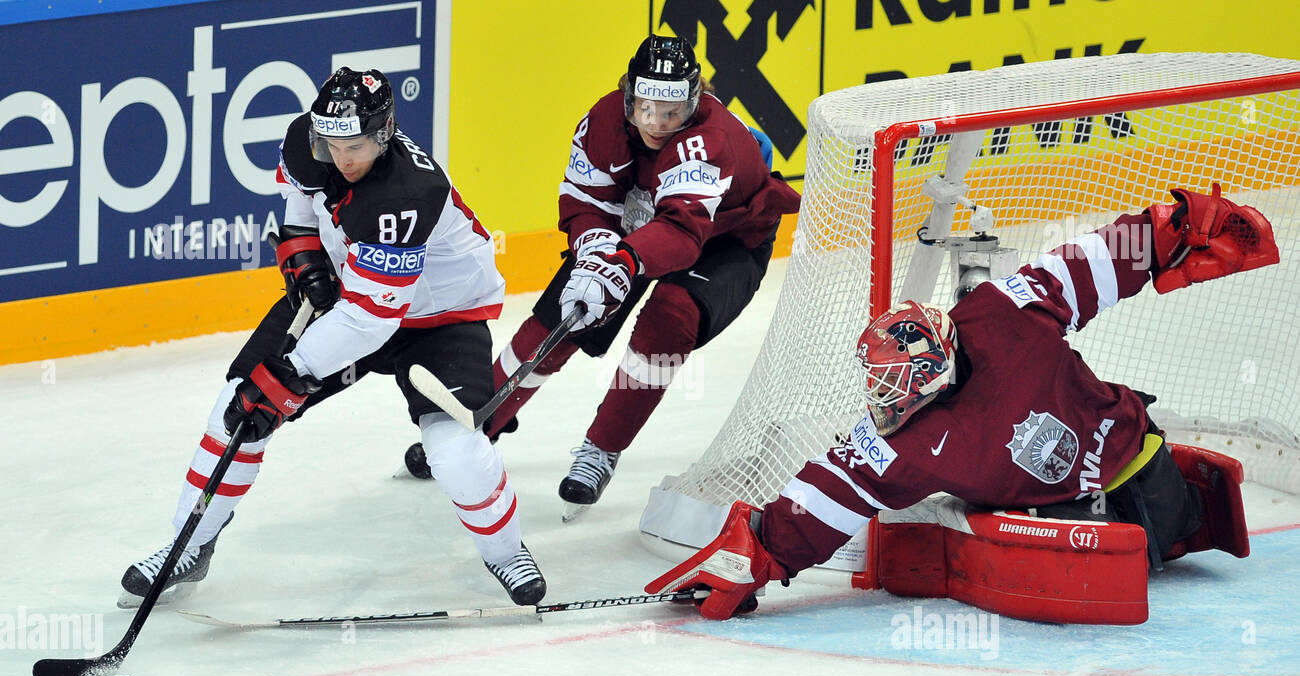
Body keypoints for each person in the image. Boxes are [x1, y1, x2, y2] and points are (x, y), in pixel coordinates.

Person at [646, 184, 1280, 620]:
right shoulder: (898, 444)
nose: (884, 404)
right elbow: (831, 487)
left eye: (896, 389)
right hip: (1070, 523)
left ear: (933, 371)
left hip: (1144, 480)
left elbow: (1085, 266)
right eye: (879, 387)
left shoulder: (997, 314)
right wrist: (759, 550)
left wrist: (1172, 232)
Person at [118, 68, 546, 609]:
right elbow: (300, 205)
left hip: (439, 318)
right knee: (237, 409)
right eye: (332, 143)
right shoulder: (306, 141)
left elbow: (371, 321)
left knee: (455, 449)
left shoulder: (407, 194)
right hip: (348, 293)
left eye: (357, 144)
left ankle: (507, 552)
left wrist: (291, 374)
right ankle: (187, 545)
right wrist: (303, 254)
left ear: (385, 132)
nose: (342, 156)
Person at [418, 34, 800, 521]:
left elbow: (681, 233)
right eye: (645, 109)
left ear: (695, 99)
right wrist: (596, 253)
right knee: (566, 311)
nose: (657, 124)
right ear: (627, 96)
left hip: (727, 240)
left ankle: (602, 449)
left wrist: (619, 264)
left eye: (672, 112)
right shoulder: (601, 121)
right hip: (636, 225)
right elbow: (586, 202)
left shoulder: (710, 141)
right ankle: (484, 418)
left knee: (671, 318)